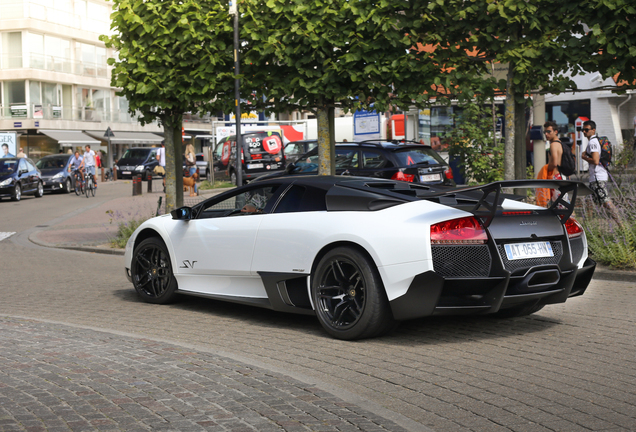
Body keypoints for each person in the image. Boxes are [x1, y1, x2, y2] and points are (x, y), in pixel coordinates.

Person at [581, 120, 621, 221]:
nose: (584, 132)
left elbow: (595, 160)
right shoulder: (595, 141)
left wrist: (584, 157)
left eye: (586, 130)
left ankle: (622, 226)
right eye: (583, 130)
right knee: (589, 202)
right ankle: (588, 226)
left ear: (593, 130)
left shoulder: (593, 142)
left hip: (597, 177)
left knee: (606, 202)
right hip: (595, 178)